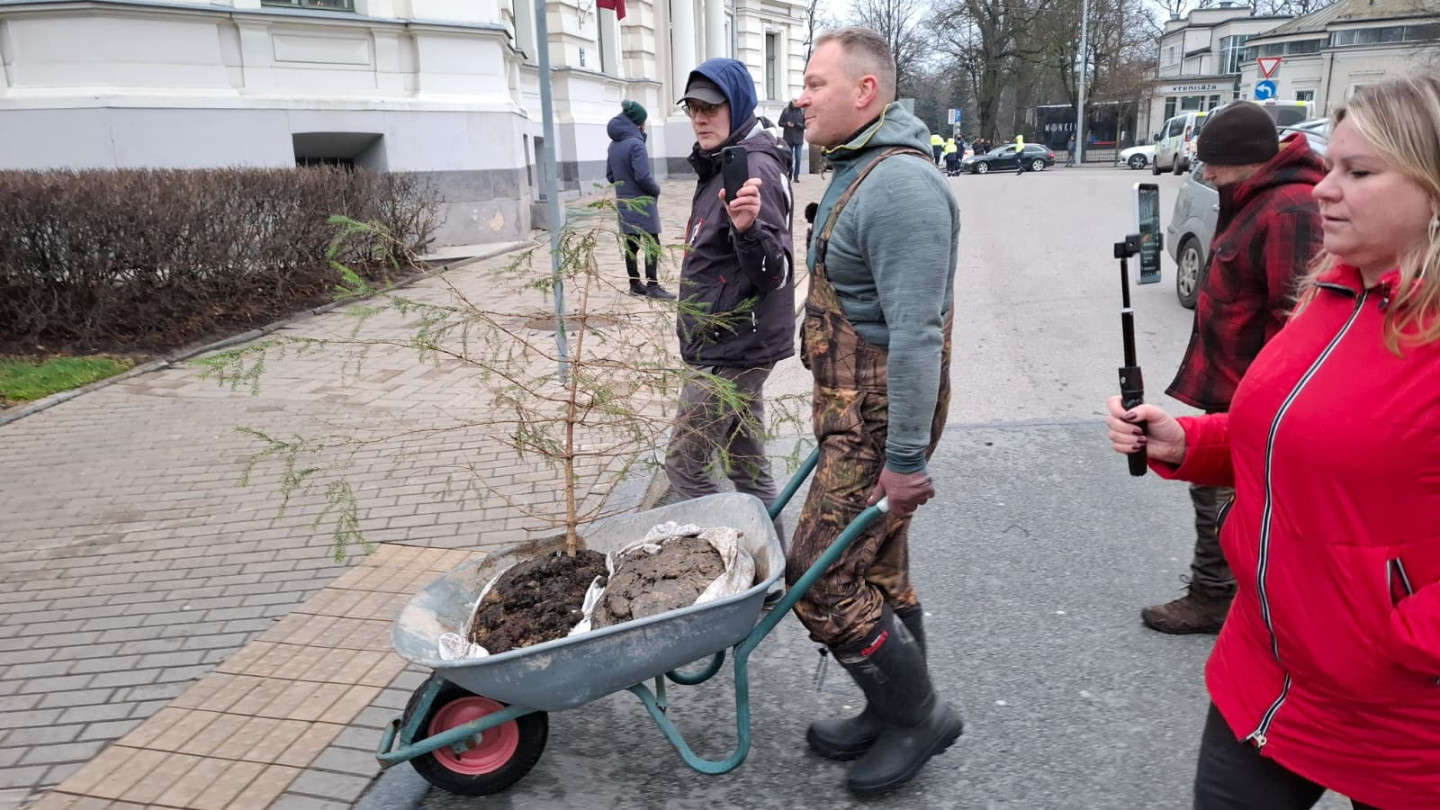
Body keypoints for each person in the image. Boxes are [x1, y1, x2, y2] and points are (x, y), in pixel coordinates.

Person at [1106, 72, 1440, 809]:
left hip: (1402, 714)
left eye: (1358, 171)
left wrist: (1405, 638)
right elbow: (1286, 431)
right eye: (1333, 165)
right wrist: (1185, 443)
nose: (1323, 188)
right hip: (1263, 669)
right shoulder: (1333, 291)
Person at [792, 26, 963, 796]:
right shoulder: (857, 172)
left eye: (816, 83)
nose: (802, 97)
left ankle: (919, 714)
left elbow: (920, 335)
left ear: (866, 93)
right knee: (882, 571)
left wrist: (904, 461)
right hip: (849, 411)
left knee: (818, 576)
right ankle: (890, 707)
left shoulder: (900, 187)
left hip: (876, 420)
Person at [1140, 101, 1324, 635]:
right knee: (1212, 490)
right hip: (1232, 385)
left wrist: (1263, 402)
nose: (1208, 172)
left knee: (1225, 496)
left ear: (1248, 158)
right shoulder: (1250, 197)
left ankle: (1218, 594)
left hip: (1253, 392)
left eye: (1216, 162)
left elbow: (1294, 322)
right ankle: (1226, 590)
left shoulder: (1289, 209)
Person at [664, 58, 795, 536]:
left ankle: (737, 569)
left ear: (735, 106)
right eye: (693, 107)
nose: (699, 117)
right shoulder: (724, 160)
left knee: (685, 467)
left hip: (733, 348)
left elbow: (773, 272)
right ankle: (772, 576)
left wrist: (747, 231)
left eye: (710, 107)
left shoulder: (751, 167)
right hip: (732, 342)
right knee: (747, 466)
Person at [605, 100, 676, 299]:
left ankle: (634, 283)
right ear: (638, 123)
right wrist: (655, 189)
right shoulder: (636, 144)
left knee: (631, 244)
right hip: (642, 202)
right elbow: (643, 176)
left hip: (623, 202)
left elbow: (610, 176)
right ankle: (653, 286)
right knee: (652, 242)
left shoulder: (613, 145)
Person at [779, 99, 806, 182]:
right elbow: (780, 123)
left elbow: (806, 125)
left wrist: (797, 124)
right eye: (794, 101)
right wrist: (786, 124)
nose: (796, 103)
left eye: (797, 101)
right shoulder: (786, 111)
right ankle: (789, 174)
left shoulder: (802, 112)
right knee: (789, 158)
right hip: (788, 138)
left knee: (798, 158)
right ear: (791, 102)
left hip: (798, 139)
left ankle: (796, 176)